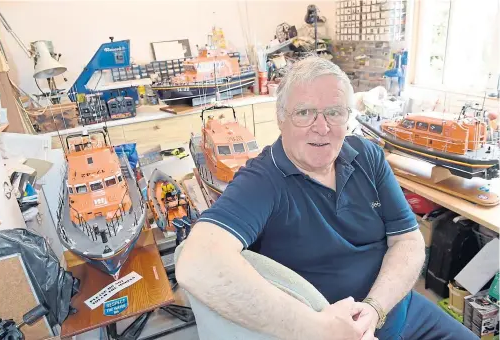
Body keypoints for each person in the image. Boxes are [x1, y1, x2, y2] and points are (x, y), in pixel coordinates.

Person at [176, 56, 478, 340]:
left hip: (398, 310)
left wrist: (375, 308)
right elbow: (197, 262)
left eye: (334, 112)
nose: (321, 127)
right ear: (281, 119)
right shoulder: (262, 180)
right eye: (304, 112)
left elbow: (408, 241)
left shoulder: (367, 156)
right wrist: (321, 328)